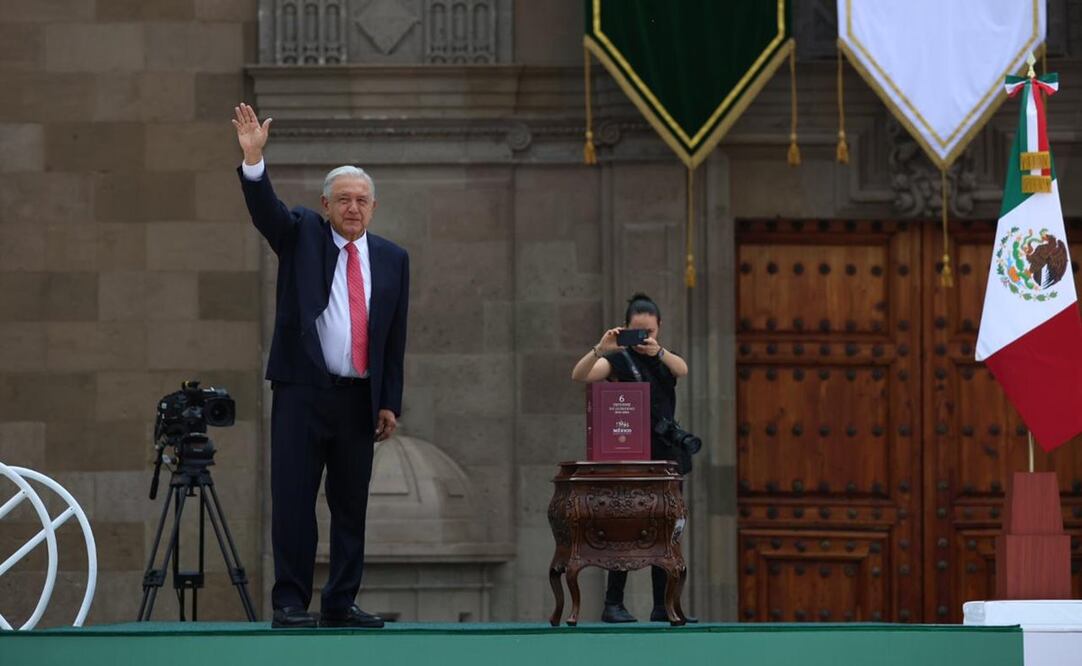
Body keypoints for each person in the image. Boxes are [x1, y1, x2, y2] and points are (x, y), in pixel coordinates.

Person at [232, 103, 409, 629]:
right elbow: (266, 211)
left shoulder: (394, 258)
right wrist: (253, 161)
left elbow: (394, 338)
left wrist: (388, 401)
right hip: (302, 390)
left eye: (361, 201)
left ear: (374, 208)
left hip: (358, 398)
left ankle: (340, 601)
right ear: (325, 205)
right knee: (293, 500)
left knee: (350, 505)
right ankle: (290, 602)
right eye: (343, 201)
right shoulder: (302, 233)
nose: (352, 209)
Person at [570, 293, 697, 623]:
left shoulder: (664, 361)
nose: (644, 339)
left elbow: (682, 368)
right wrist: (602, 347)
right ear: (624, 329)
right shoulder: (619, 360)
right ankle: (614, 604)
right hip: (628, 455)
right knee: (623, 527)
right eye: (637, 332)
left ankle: (663, 605)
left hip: (665, 457)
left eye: (650, 332)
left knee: (666, 531)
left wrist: (660, 351)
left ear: (659, 329)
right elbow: (581, 375)